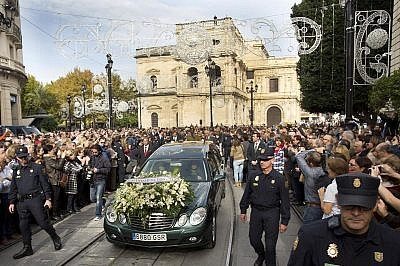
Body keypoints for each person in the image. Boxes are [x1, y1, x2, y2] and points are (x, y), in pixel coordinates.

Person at [288, 173, 400, 265]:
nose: (356, 213)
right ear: (338, 201)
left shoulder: (392, 242)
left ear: (376, 204)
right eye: (349, 206)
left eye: (364, 207)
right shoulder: (311, 236)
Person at [8, 146, 62, 259]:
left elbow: (45, 184)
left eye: (25, 157)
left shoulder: (37, 168)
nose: (23, 159)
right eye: (21, 158)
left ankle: (55, 237)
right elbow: (13, 187)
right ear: (17, 158)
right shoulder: (16, 170)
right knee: (23, 225)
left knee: (43, 222)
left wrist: (48, 199)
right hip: (22, 202)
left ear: (28, 156)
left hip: (35, 200)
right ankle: (27, 247)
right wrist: (12, 201)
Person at [239, 147, 290, 266]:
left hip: (272, 213)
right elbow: (247, 194)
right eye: (260, 159)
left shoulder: (279, 178)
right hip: (256, 212)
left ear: (272, 160)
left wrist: (285, 221)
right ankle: (261, 255)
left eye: (265, 160)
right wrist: (243, 210)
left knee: (271, 246)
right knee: (254, 240)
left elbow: (285, 201)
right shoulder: (253, 175)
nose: (262, 162)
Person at [89, 144, 111, 221]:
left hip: (101, 180)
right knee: (92, 198)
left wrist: (98, 170)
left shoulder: (104, 158)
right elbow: (90, 165)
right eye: (93, 152)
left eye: (95, 152)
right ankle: (103, 201)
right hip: (93, 180)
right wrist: (89, 169)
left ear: (99, 151)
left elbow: (108, 169)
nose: (94, 153)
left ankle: (98, 214)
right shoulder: (92, 157)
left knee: (98, 198)